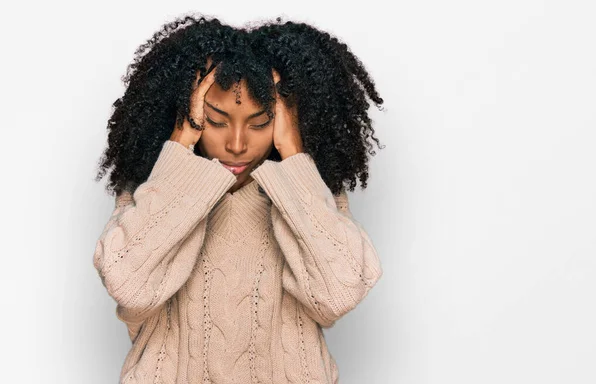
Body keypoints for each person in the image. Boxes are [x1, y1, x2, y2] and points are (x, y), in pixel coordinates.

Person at [93, 14, 385, 384]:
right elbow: (128, 288)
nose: (236, 144)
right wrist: (180, 147)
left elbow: (338, 294)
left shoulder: (308, 195)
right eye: (214, 121)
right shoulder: (154, 194)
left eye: (260, 123)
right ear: (187, 114)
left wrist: (293, 154)